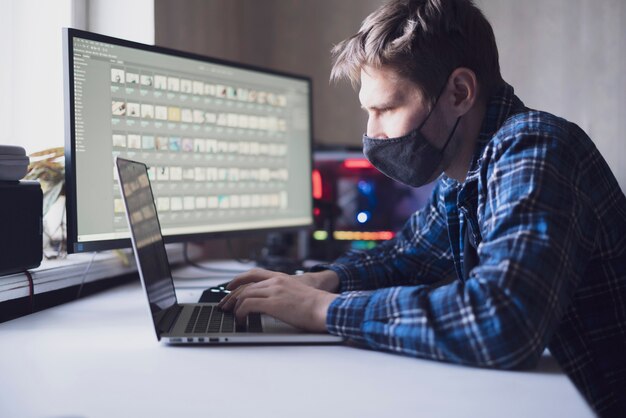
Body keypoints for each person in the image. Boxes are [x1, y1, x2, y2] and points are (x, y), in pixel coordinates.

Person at [218, 0, 626, 415]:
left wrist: (323, 310)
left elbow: (503, 321)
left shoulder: (535, 148)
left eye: (387, 109)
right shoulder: (464, 171)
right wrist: (322, 281)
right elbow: (408, 258)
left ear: (459, 92)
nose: (371, 134)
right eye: (368, 112)